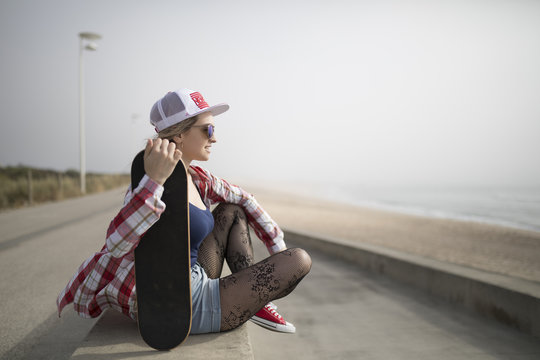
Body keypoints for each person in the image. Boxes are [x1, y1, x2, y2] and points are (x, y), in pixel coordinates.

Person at [57, 88, 312, 334]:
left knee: (232, 210)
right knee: (299, 260)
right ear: (179, 134)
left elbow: (243, 198)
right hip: (178, 303)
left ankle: (254, 303)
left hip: (195, 275)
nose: (214, 138)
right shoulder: (152, 182)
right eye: (208, 129)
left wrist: (275, 243)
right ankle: (253, 301)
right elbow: (116, 243)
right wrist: (154, 182)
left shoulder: (196, 177)